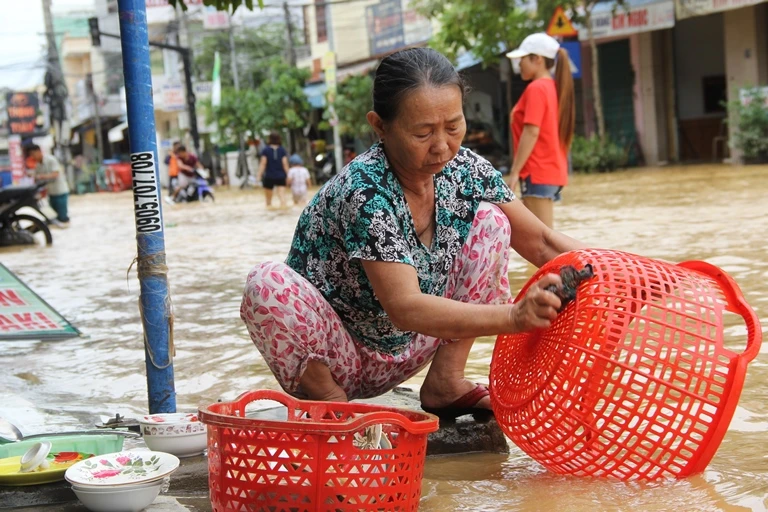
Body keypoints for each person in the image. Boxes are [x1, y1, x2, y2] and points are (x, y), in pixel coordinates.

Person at [240, 48, 584, 418]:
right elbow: (404, 306)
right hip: (340, 355)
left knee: (492, 222)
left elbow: (543, 242)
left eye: (453, 127)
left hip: (413, 346)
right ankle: (330, 403)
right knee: (266, 283)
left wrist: (619, 273)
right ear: (380, 125)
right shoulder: (365, 190)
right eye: (423, 132)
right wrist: (514, 317)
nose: (442, 146)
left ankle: (446, 381)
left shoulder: (466, 169)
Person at [506, 33, 575, 229]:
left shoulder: (536, 89)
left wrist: (514, 172)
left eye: (522, 59)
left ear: (537, 60)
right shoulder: (552, 88)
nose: (519, 64)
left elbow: (531, 132)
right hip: (548, 172)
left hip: (537, 172)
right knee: (542, 242)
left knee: (542, 245)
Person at [25, 144, 70, 225]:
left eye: (33, 154)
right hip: (51, 193)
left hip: (60, 191)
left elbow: (55, 174)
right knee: (54, 217)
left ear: (38, 151)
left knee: (63, 217)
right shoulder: (38, 165)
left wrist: (40, 176)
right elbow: (37, 179)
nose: (33, 156)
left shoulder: (51, 160)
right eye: (31, 155)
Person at [257, 132, 288, 208]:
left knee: (268, 201)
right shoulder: (282, 150)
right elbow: (285, 164)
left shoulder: (266, 150)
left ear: (269, 139)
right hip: (281, 176)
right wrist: (289, 175)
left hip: (269, 176)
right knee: (282, 198)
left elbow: (263, 164)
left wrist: (258, 176)